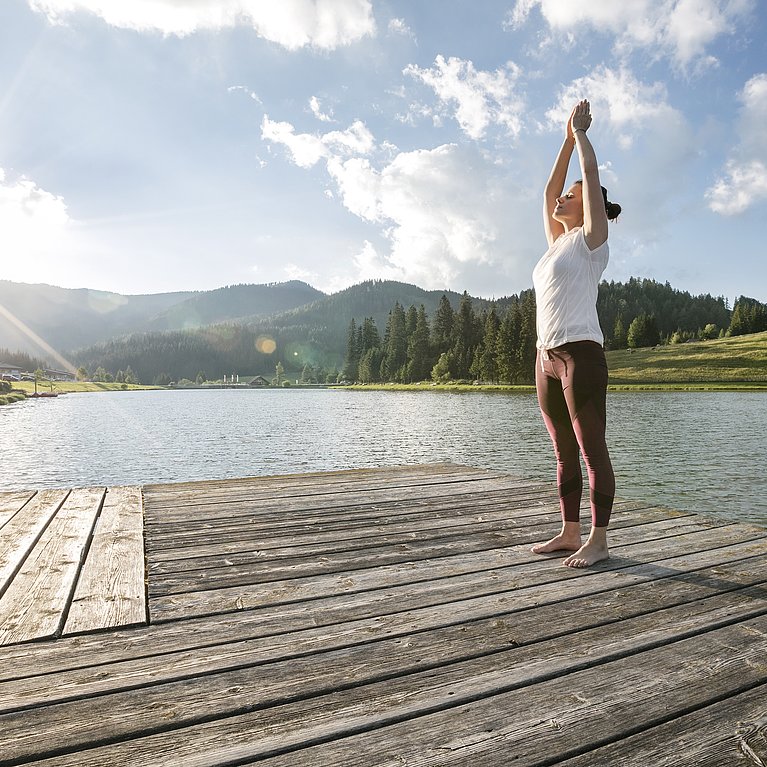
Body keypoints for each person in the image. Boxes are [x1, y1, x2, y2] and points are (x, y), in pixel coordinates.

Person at [531, 99, 621, 568]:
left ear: (587, 205)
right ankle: (569, 532)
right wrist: (564, 141)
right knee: (563, 452)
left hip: (581, 355)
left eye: (573, 194)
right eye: (565, 194)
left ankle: (599, 539)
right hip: (545, 358)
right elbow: (546, 190)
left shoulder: (590, 241)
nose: (562, 197)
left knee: (590, 449)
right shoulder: (556, 245)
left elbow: (590, 172)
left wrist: (583, 136)